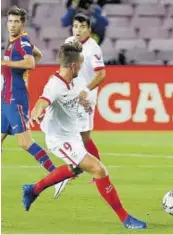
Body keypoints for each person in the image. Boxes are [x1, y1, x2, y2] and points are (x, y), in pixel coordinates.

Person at [22, 41, 147, 229]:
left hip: (72, 134)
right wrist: (35, 113)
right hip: (59, 139)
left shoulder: (76, 79)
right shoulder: (55, 85)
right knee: (99, 169)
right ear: (73, 65)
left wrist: (83, 102)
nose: (82, 65)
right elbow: (42, 101)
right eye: (81, 62)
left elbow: (76, 95)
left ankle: (33, 189)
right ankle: (125, 218)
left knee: (76, 169)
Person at [53, 13, 106, 198]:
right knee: (74, 133)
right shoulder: (68, 42)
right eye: (75, 26)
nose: (78, 30)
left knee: (83, 136)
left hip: (86, 97)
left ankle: (76, 169)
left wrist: (86, 90)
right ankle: (84, 168)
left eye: (82, 27)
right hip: (71, 94)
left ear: (89, 30)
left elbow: (101, 75)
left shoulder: (93, 49)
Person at [1, 6, 57, 174]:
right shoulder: (15, 43)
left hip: (15, 97)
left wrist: (7, 64)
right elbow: (37, 54)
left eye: (16, 22)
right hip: (6, 97)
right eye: (10, 21)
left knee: (25, 142)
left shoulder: (21, 42)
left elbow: (31, 63)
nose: (12, 25)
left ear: (22, 24)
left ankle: (56, 174)